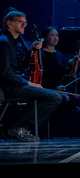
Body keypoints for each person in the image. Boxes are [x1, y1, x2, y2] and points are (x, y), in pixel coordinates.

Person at [0, 10, 65, 142]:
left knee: (58, 96)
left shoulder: (15, 42)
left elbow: (18, 68)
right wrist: (30, 83)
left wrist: (32, 50)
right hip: (9, 87)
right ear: (9, 23)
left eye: (25, 23)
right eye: (20, 22)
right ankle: (19, 127)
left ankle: (20, 127)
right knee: (55, 97)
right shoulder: (4, 42)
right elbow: (5, 73)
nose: (24, 25)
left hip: (16, 84)